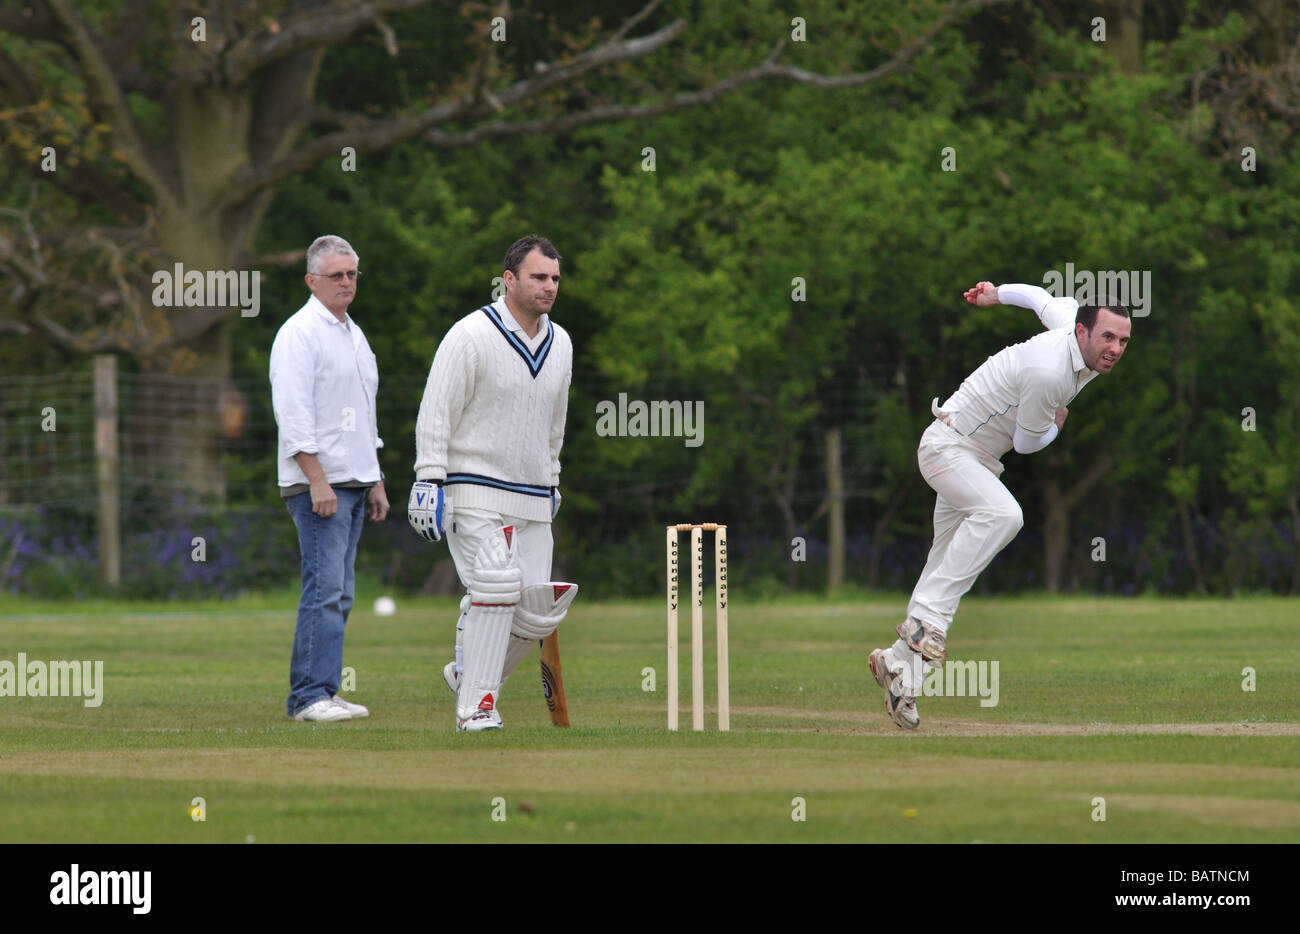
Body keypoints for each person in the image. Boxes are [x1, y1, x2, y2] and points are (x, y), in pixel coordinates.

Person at [869, 280, 1131, 729]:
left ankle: (897, 667)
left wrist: (997, 293)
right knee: (1005, 515)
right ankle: (924, 623)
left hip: (976, 460)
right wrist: (1056, 425)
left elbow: (1041, 299)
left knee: (942, 564)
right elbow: (1029, 443)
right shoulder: (1049, 372)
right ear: (1083, 332)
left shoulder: (1070, 319)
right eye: (1107, 337)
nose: (1115, 348)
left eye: (1123, 340)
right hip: (947, 447)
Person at [408, 236, 576, 731]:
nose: (548, 287)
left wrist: (552, 478)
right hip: (473, 487)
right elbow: (436, 409)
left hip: (532, 494)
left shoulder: (560, 342)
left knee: (539, 611)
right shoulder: (470, 334)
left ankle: (471, 673)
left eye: (555, 279)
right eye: (538, 277)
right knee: (496, 590)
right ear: (509, 279)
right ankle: (476, 710)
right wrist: (428, 478)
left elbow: (554, 422)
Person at [269, 235, 389, 723]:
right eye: (336, 275)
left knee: (340, 592)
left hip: (356, 480)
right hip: (321, 485)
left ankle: (324, 689)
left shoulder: (353, 334)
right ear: (311, 281)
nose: (346, 282)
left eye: (352, 274)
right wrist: (316, 480)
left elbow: (364, 413)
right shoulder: (299, 334)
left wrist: (375, 478)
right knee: (323, 590)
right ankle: (308, 697)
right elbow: (293, 415)